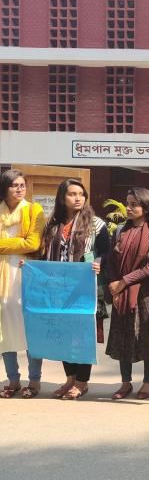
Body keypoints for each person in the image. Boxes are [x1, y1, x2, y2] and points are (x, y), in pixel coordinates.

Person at [38, 179, 110, 400]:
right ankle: (69, 378)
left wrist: (99, 261)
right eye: (72, 194)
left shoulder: (96, 224)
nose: (78, 198)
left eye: (81, 194)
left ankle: (81, 381)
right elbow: (44, 256)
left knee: (81, 336)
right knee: (63, 336)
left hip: (83, 289)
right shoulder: (53, 225)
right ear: (62, 198)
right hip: (58, 289)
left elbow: (107, 253)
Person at [105, 187, 149, 400]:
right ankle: (125, 382)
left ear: (146, 208)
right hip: (120, 293)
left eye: (134, 204)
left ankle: (147, 382)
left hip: (144, 294)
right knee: (123, 337)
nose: (128, 208)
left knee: (146, 339)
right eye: (127, 203)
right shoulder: (120, 230)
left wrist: (124, 281)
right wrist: (113, 282)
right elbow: (110, 259)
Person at [0, 170, 45, 399]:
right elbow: (23, 241)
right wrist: (18, 242)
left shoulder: (34, 210)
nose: (19, 189)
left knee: (30, 329)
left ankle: (34, 380)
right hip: (2, 277)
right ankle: (13, 379)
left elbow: (33, 243)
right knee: (4, 329)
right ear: (4, 188)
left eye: (22, 185)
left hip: (25, 274)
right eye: (14, 185)